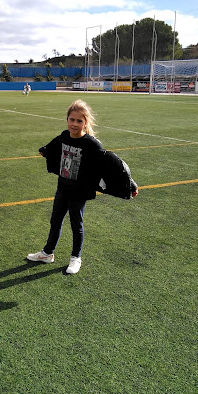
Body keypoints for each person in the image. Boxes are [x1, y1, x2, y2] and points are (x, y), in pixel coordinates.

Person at [27, 99, 138, 274]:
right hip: (62, 187)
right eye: (72, 119)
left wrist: (131, 184)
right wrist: (45, 150)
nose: (75, 124)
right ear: (67, 120)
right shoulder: (64, 136)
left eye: (79, 121)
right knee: (55, 221)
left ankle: (75, 257)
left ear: (85, 123)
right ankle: (47, 253)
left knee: (76, 223)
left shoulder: (91, 144)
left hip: (80, 191)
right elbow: (53, 145)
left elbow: (112, 164)